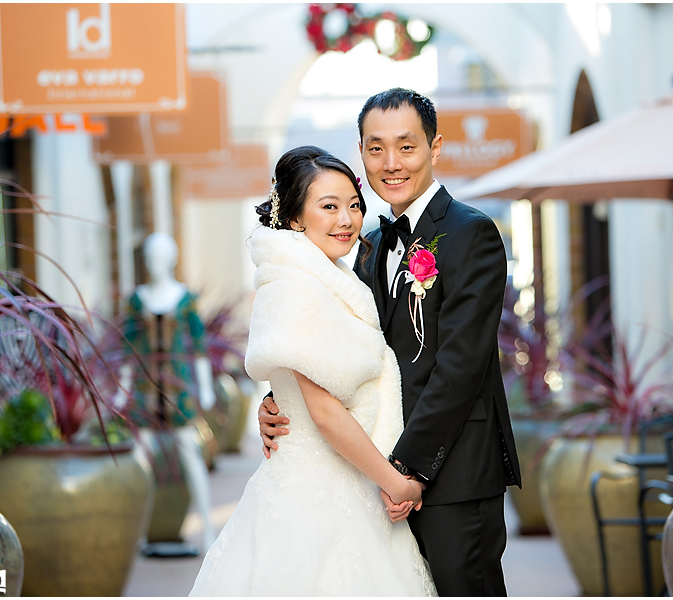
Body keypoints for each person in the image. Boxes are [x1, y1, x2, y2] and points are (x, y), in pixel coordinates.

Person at [259, 88, 521, 596]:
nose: (391, 163)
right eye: (376, 148)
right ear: (361, 152)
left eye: (406, 146)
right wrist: (279, 400)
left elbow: (460, 367)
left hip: (451, 473)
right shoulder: (367, 245)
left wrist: (406, 470)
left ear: (435, 147)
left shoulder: (473, 233)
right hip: (378, 477)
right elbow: (343, 346)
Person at [189, 146, 436, 596]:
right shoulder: (294, 286)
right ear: (295, 219)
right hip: (316, 492)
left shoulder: (333, 277)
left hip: (350, 481)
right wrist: (396, 483)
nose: (347, 218)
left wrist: (275, 401)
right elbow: (323, 412)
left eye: (353, 205)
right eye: (329, 207)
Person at [118, 231, 216, 553]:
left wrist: (205, 389)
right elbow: (128, 348)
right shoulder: (136, 300)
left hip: (178, 389)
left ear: (172, 258)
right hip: (145, 390)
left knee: (191, 458)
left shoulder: (186, 299)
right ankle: (136, 535)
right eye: (151, 257)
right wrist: (121, 391)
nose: (156, 263)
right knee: (138, 463)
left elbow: (199, 347)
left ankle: (207, 532)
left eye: (162, 256)